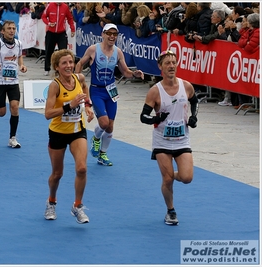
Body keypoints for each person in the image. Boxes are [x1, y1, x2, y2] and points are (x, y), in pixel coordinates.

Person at [140, 50, 198, 225]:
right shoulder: (154, 91)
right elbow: (143, 117)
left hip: (182, 139)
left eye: (174, 62)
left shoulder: (186, 86)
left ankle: (170, 174)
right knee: (167, 180)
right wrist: (156, 119)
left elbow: (194, 101)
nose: (171, 66)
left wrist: (193, 117)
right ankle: (170, 211)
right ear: (160, 67)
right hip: (162, 141)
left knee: (187, 178)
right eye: (167, 63)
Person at [75, 23, 144, 166]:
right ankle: (96, 138)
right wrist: (77, 78)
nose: (112, 37)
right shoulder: (93, 49)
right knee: (104, 123)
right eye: (109, 34)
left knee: (110, 127)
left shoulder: (118, 52)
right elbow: (80, 63)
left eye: (115, 34)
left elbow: (125, 72)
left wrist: (134, 74)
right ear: (103, 34)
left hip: (111, 90)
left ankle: (103, 154)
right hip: (97, 90)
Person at [44, 49, 94, 224]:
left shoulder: (79, 78)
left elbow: (85, 89)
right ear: (57, 67)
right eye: (64, 63)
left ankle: (77, 206)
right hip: (58, 132)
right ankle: (51, 201)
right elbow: (48, 113)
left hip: (77, 131)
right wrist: (69, 105)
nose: (69, 66)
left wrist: (87, 105)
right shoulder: (55, 85)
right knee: (57, 174)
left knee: (82, 168)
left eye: (71, 62)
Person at [0, 20, 27, 148]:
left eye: (14, 28)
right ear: (3, 31)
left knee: (15, 107)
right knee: (2, 112)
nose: (12, 30)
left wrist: (22, 65)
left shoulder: (19, 43)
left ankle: (12, 138)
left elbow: (19, 56)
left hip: (13, 82)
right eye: (9, 28)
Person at [41, 2, 75, 76]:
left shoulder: (65, 7)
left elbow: (70, 18)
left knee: (63, 52)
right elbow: (43, 16)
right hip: (51, 32)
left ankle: (62, 69)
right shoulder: (50, 5)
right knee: (49, 51)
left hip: (61, 33)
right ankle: (47, 68)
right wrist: (49, 23)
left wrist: (72, 29)